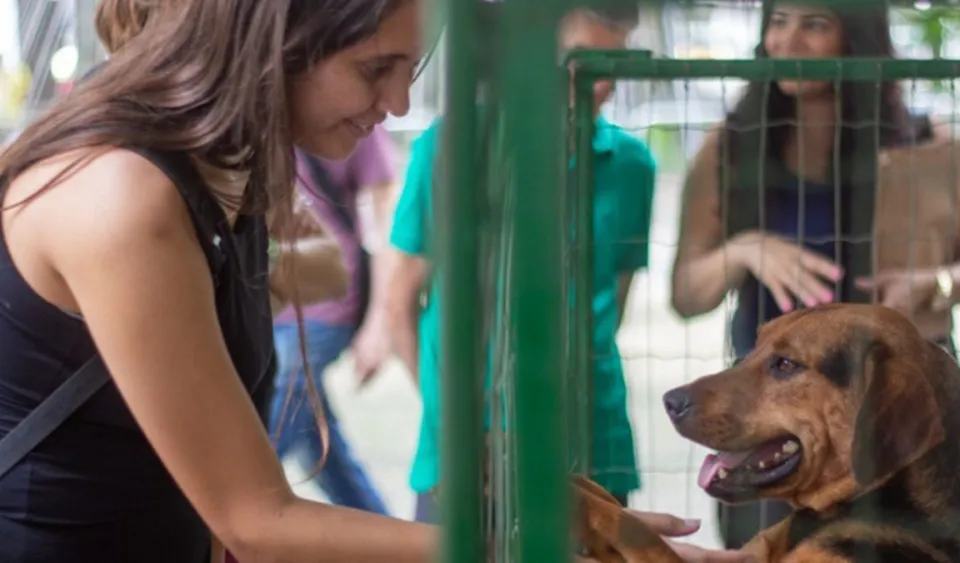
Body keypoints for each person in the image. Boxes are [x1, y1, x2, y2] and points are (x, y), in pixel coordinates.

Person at [0, 0, 751, 561]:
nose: (395, 105)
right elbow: (256, 518)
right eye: (373, 69)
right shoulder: (121, 193)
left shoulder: (222, 178)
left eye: (410, 71)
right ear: (277, 39)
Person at [669, 0, 960, 549]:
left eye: (814, 24)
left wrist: (937, 284)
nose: (788, 41)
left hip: (896, 422)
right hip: (776, 423)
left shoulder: (923, 142)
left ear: (857, 41)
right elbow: (686, 293)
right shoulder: (728, 148)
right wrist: (746, 250)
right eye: (777, 22)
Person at [387, 4, 655, 524]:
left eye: (612, 66)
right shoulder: (448, 147)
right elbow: (398, 307)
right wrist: (461, 422)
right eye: (579, 64)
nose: (599, 86)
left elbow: (611, 308)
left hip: (592, 438)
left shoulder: (633, 167)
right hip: (468, 448)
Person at [267, 128, 398, 515]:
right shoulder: (255, 113)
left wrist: (379, 323)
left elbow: (386, 216)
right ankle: (385, 537)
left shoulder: (359, 119)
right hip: (271, 304)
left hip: (328, 302)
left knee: (267, 440)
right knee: (320, 448)